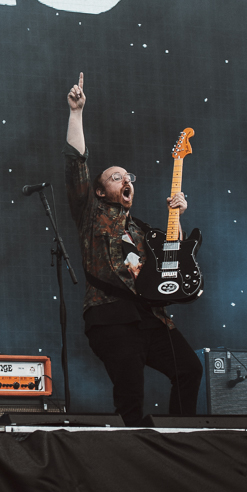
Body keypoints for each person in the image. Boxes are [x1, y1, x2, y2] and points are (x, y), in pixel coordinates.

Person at [63, 72, 203, 424]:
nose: (126, 181)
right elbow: (77, 163)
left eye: (129, 178)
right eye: (115, 177)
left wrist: (178, 216)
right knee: (131, 393)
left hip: (150, 318)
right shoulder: (90, 214)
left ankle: (181, 437)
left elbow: (173, 257)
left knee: (189, 369)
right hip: (110, 317)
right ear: (99, 191)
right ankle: (137, 451)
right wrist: (76, 113)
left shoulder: (142, 230)